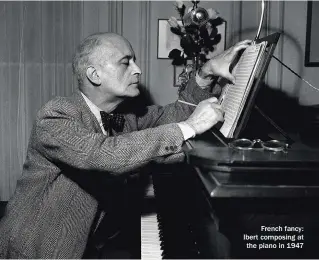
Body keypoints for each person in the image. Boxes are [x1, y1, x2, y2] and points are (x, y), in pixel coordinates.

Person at [0, 32, 251, 258]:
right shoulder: (56, 114)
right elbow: (102, 154)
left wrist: (206, 72)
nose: (138, 70)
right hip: (34, 251)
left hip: (89, 247)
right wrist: (192, 127)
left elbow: (177, 113)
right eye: (126, 62)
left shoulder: (126, 118)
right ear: (94, 74)